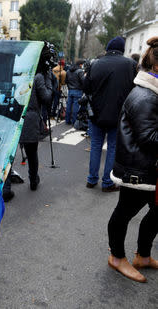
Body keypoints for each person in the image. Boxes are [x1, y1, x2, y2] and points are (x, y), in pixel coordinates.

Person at [106, 36, 158, 283]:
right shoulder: (145, 96)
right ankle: (117, 257)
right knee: (124, 213)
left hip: (149, 169)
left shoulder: (152, 91)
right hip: (137, 170)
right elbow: (148, 137)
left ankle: (143, 256)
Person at [83, 36, 137, 192]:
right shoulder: (131, 65)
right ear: (122, 50)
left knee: (95, 146)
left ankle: (91, 180)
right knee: (112, 148)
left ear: (107, 49)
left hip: (96, 114)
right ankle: (107, 182)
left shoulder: (95, 64)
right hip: (118, 115)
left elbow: (86, 88)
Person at [19, 42, 55, 191]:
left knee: (8, 156)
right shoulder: (39, 77)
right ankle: (33, 180)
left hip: (16, 117)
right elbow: (47, 98)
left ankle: (6, 187)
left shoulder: (22, 73)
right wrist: (48, 80)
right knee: (32, 154)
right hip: (30, 118)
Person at [65, 59, 85, 125]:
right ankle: (74, 121)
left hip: (70, 90)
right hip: (78, 90)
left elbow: (66, 81)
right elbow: (83, 81)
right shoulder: (80, 71)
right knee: (75, 107)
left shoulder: (68, 71)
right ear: (80, 64)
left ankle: (67, 120)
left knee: (69, 106)